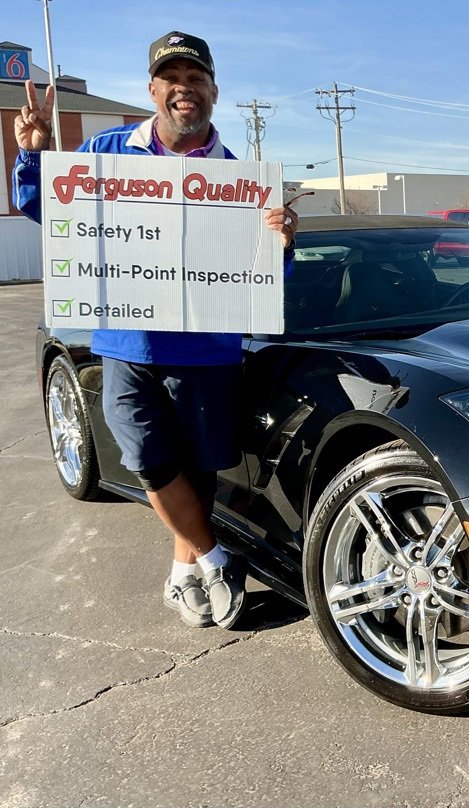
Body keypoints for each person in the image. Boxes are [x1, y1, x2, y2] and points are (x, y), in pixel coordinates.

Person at [11, 31, 299, 630]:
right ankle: (218, 560)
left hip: (210, 349)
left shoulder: (239, 175)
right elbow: (50, 213)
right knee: (147, 458)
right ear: (152, 89)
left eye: (195, 79)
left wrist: (283, 241)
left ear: (213, 91)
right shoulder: (109, 150)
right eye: (171, 79)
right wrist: (34, 154)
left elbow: (266, 273)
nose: (183, 90)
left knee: (196, 470)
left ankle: (180, 575)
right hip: (129, 344)